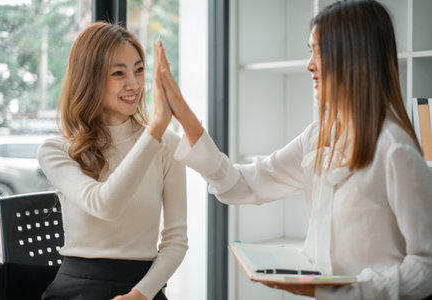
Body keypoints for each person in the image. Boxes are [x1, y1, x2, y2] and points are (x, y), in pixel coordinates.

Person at [154, 0, 432, 299]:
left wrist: (349, 290)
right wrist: (185, 118)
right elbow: (240, 185)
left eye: (319, 51)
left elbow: (426, 268)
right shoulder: (318, 137)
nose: (309, 64)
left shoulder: (395, 150)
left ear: (353, 56)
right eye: (309, 51)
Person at [37, 21, 188, 300]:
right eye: (118, 73)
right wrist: (154, 130)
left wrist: (141, 294)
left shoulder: (168, 144)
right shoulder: (56, 149)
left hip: (144, 289)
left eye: (139, 70)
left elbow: (176, 240)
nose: (134, 84)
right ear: (90, 78)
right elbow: (103, 204)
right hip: (77, 289)